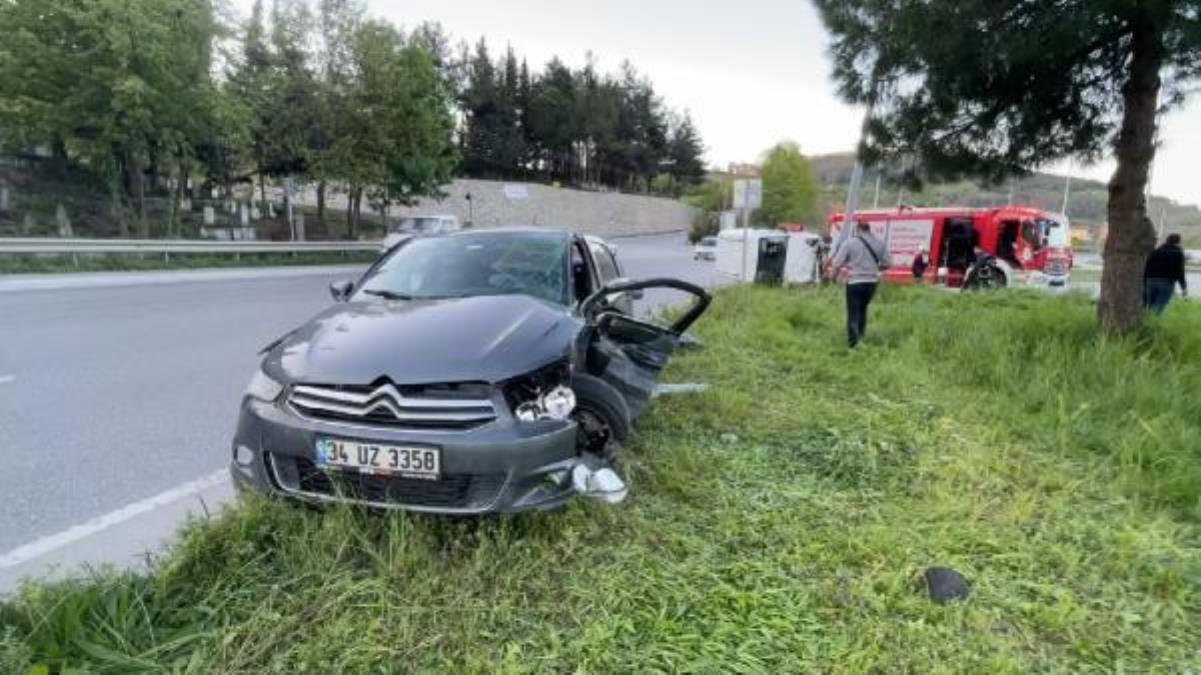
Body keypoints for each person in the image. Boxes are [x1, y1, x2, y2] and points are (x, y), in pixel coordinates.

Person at [829, 221, 891, 347]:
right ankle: (861, 337)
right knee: (863, 309)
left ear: (858, 230)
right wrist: (875, 269)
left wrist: (833, 278)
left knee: (853, 312)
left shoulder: (850, 243)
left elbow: (837, 263)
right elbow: (887, 264)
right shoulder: (879, 243)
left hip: (855, 282)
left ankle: (853, 343)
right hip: (871, 283)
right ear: (869, 230)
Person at [1143, 233, 1188, 313]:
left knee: (1149, 306)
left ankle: (1148, 321)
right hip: (1166, 282)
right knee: (1158, 307)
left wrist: (1144, 281)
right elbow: (1180, 271)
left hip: (1150, 281)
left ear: (1166, 241)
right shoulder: (1177, 253)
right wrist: (1183, 287)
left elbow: (1147, 267)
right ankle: (1152, 323)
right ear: (1178, 242)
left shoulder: (1155, 252)